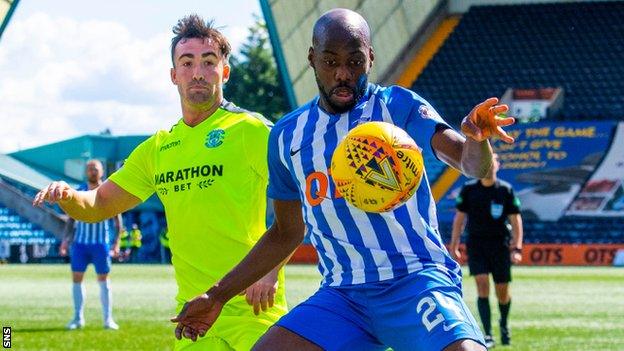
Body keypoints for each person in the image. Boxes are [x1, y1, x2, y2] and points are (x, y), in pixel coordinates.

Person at [172, 8, 516, 351]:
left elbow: (470, 164)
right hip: (343, 297)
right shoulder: (287, 136)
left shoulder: (396, 106)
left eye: (354, 62)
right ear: (312, 59)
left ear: (370, 58)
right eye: (330, 61)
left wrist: (476, 139)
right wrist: (216, 296)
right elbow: (285, 233)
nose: (342, 74)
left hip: (415, 281)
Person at [33, 14, 287, 350]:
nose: (197, 72)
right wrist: (67, 195)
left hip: (254, 313)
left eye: (208, 62)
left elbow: (304, 200)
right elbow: (99, 205)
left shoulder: (251, 131)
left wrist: (270, 271)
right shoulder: (158, 148)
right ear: (173, 75)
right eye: (187, 62)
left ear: (224, 71)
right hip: (196, 317)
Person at [450, 154, 523, 347]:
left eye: (493, 162)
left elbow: (516, 220)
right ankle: (488, 334)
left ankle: (504, 324)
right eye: (486, 162)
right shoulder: (469, 189)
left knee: (502, 291)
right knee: (482, 285)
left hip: (500, 246)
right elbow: (459, 218)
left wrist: (517, 247)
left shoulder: (506, 190)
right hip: (476, 245)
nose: (490, 166)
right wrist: (454, 245)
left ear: (498, 166)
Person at [58, 159, 123, 330]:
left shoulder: (108, 191)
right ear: (86, 172)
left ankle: (108, 319)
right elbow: (71, 219)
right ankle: (78, 318)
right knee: (76, 279)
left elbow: (118, 221)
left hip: (101, 244)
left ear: (101, 171)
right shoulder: (79, 191)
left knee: (104, 280)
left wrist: (116, 243)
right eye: (90, 169)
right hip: (80, 243)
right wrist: (65, 240)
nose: (93, 171)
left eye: (96, 169)